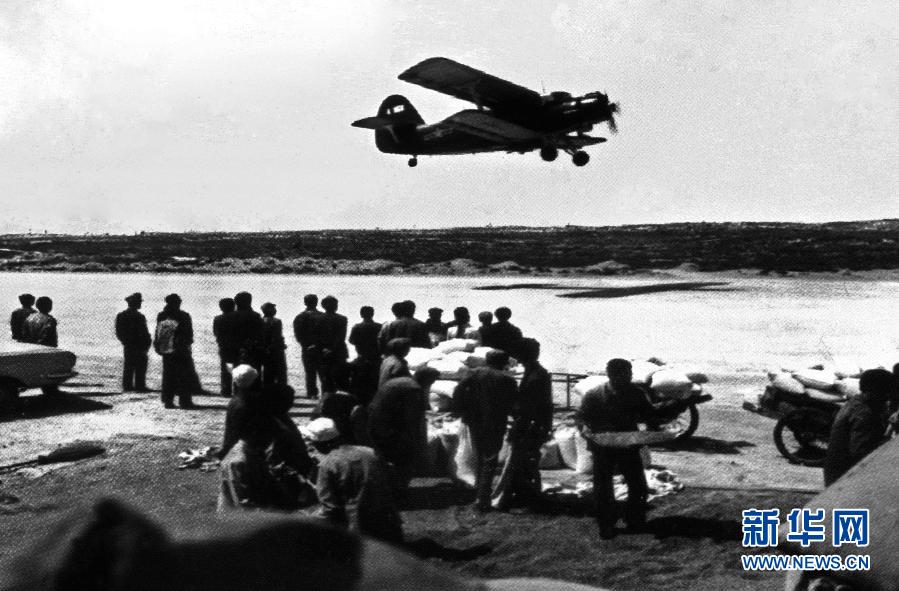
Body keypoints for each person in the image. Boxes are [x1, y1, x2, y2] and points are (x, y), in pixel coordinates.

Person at [576, 358, 683, 539]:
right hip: (603, 446)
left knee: (637, 484)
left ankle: (635, 520)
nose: (629, 377)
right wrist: (584, 428)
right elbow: (581, 417)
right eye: (625, 375)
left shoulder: (635, 393)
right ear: (611, 375)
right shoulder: (594, 395)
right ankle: (606, 525)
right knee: (603, 487)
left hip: (628, 444)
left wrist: (675, 405)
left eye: (630, 374)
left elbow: (650, 414)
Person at [218, 366, 315, 512]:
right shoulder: (255, 402)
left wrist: (224, 450)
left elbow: (230, 433)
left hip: (245, 449)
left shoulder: (236, 401)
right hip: (253, 450)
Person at [305, 417, 403, 545]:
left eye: (312, 442)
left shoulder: (328, 465)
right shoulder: (369, 452)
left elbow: (330, 508)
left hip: (361, 529)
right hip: (389, 522)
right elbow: (391, 479)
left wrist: (306, 518)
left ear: (320, 444)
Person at [452, 350, 518, 512]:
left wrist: (461, 409)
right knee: (490, 458)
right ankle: (482, 497)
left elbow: (458, 390)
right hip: (496, 421)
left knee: (479, 455)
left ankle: (478, 490)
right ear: (504, 363)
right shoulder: (508, 380)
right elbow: (513, 403)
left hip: (474, 420)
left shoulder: (473, 373)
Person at [492, 338, 552, 511]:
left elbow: (533, 406)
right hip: (532, 424)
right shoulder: (536, 372)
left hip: (530, 426)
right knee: (524, 463)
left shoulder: (535, 376)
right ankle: (524, 496)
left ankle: (529, 497)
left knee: (524, 462)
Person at [368, 367, 440, 501]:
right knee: (406, 457)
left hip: (376, 422)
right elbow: (411, 419)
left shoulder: (401, 381)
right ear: (426, 380)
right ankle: (400, 491)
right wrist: (417, 441)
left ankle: (389, 489)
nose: (431, 385)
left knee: (386, 458)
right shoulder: (413, 389)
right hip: (387, 427)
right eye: (431, 382)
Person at [823, 368, 894, 486]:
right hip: (845, 480)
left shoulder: (854, 403)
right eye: (885, 393)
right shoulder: (863, 414)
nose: (887, 398)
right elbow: (861, 453)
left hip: (837, 475)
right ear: (875, 391)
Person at [154, 293, 201, 409]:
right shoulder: (183, 315)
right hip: (181, 349)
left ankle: (168, 400)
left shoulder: (162, 315)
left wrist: (159, 347)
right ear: (177, 303)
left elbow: (158, 332)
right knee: (184, 376)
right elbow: (189, 334)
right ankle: (185, 401)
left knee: (168, 375)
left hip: (167, 349)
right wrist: (187, 344)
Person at [115, 292, 152, 393]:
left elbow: (119, 332)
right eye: (139, 302)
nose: (140, 304)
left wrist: (126, 342)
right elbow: (144, 332)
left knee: (129, 366)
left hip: (130, 345)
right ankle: (139, 386)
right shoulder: (139, 316)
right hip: (138, 345)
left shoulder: (122, 315)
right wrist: (147, 343)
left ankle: (128, 386)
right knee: (139, 366)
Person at [348, 306, 382, 405]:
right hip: (376, 359)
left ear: (361, 315)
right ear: (372, 314)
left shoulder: (357, 327)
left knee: (360, 384)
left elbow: (351, 341)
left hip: (362, 358)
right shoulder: (379, 327)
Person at [293, 294, 324, 399]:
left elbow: (298, 334)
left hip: (307, 348)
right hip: (321, 348)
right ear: (317, 302)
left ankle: (312, 394)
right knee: (323, 373)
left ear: (305, 303)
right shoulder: (322, 316)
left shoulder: (300, 317)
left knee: (310, 372)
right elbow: (326, 333)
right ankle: (325, 394)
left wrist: (306, 344)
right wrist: (318, 344)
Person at [317, 295, 348, 393]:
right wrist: (332, 348)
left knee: (325, 379)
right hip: (339, 351)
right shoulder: (342, 319)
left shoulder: (318, 319)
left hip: (322, 352)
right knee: (340, 378)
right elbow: (341, 337)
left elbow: (316, 337)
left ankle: (326, 398)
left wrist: (324, 348)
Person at [231, 291, 265, 370]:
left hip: (236, 351)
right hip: (253, 350)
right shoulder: (256, 316)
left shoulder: (232, 316)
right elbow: (261, 335)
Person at [260, 302, 288, 388]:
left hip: (264, 350)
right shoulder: (277, 321)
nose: (275, 310)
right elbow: (277, 337)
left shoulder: (260, 321)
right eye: (273, 308)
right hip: (276, 350)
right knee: (281, 373)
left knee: (267, 373)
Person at [213, 298, 236, 397]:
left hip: (224, 347)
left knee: (226, 369)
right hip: (236, 346)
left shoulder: (218, 318)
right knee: (237, 367)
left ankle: (226, 390)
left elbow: (216, 333)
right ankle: (237, 389)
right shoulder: (236, 317)